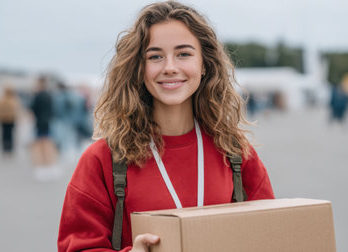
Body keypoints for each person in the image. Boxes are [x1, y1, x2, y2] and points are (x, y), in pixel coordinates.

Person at [58, 1, 274, 251]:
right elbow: (77, 246)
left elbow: (268, 234)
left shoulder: (236, 153)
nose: (170, 68)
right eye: (155, 56)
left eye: (184, 54)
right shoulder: (103, 159)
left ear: (204, 64)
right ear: (139, 68)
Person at [30, 76, 60, 181]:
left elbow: (32, 110)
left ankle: (41, 167)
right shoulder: (49, 95)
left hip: (40, 123)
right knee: (49, 145)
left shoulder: (37, 95)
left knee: (39, 146)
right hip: (49, 123)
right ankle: (51, 166)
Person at [0, 84, 20, 155]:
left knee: (5, 134)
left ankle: (6, 148)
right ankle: (8, 148)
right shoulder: (13, 99)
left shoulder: (2, 99)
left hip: (5, 119)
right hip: (8, 119)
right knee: (8, 134)